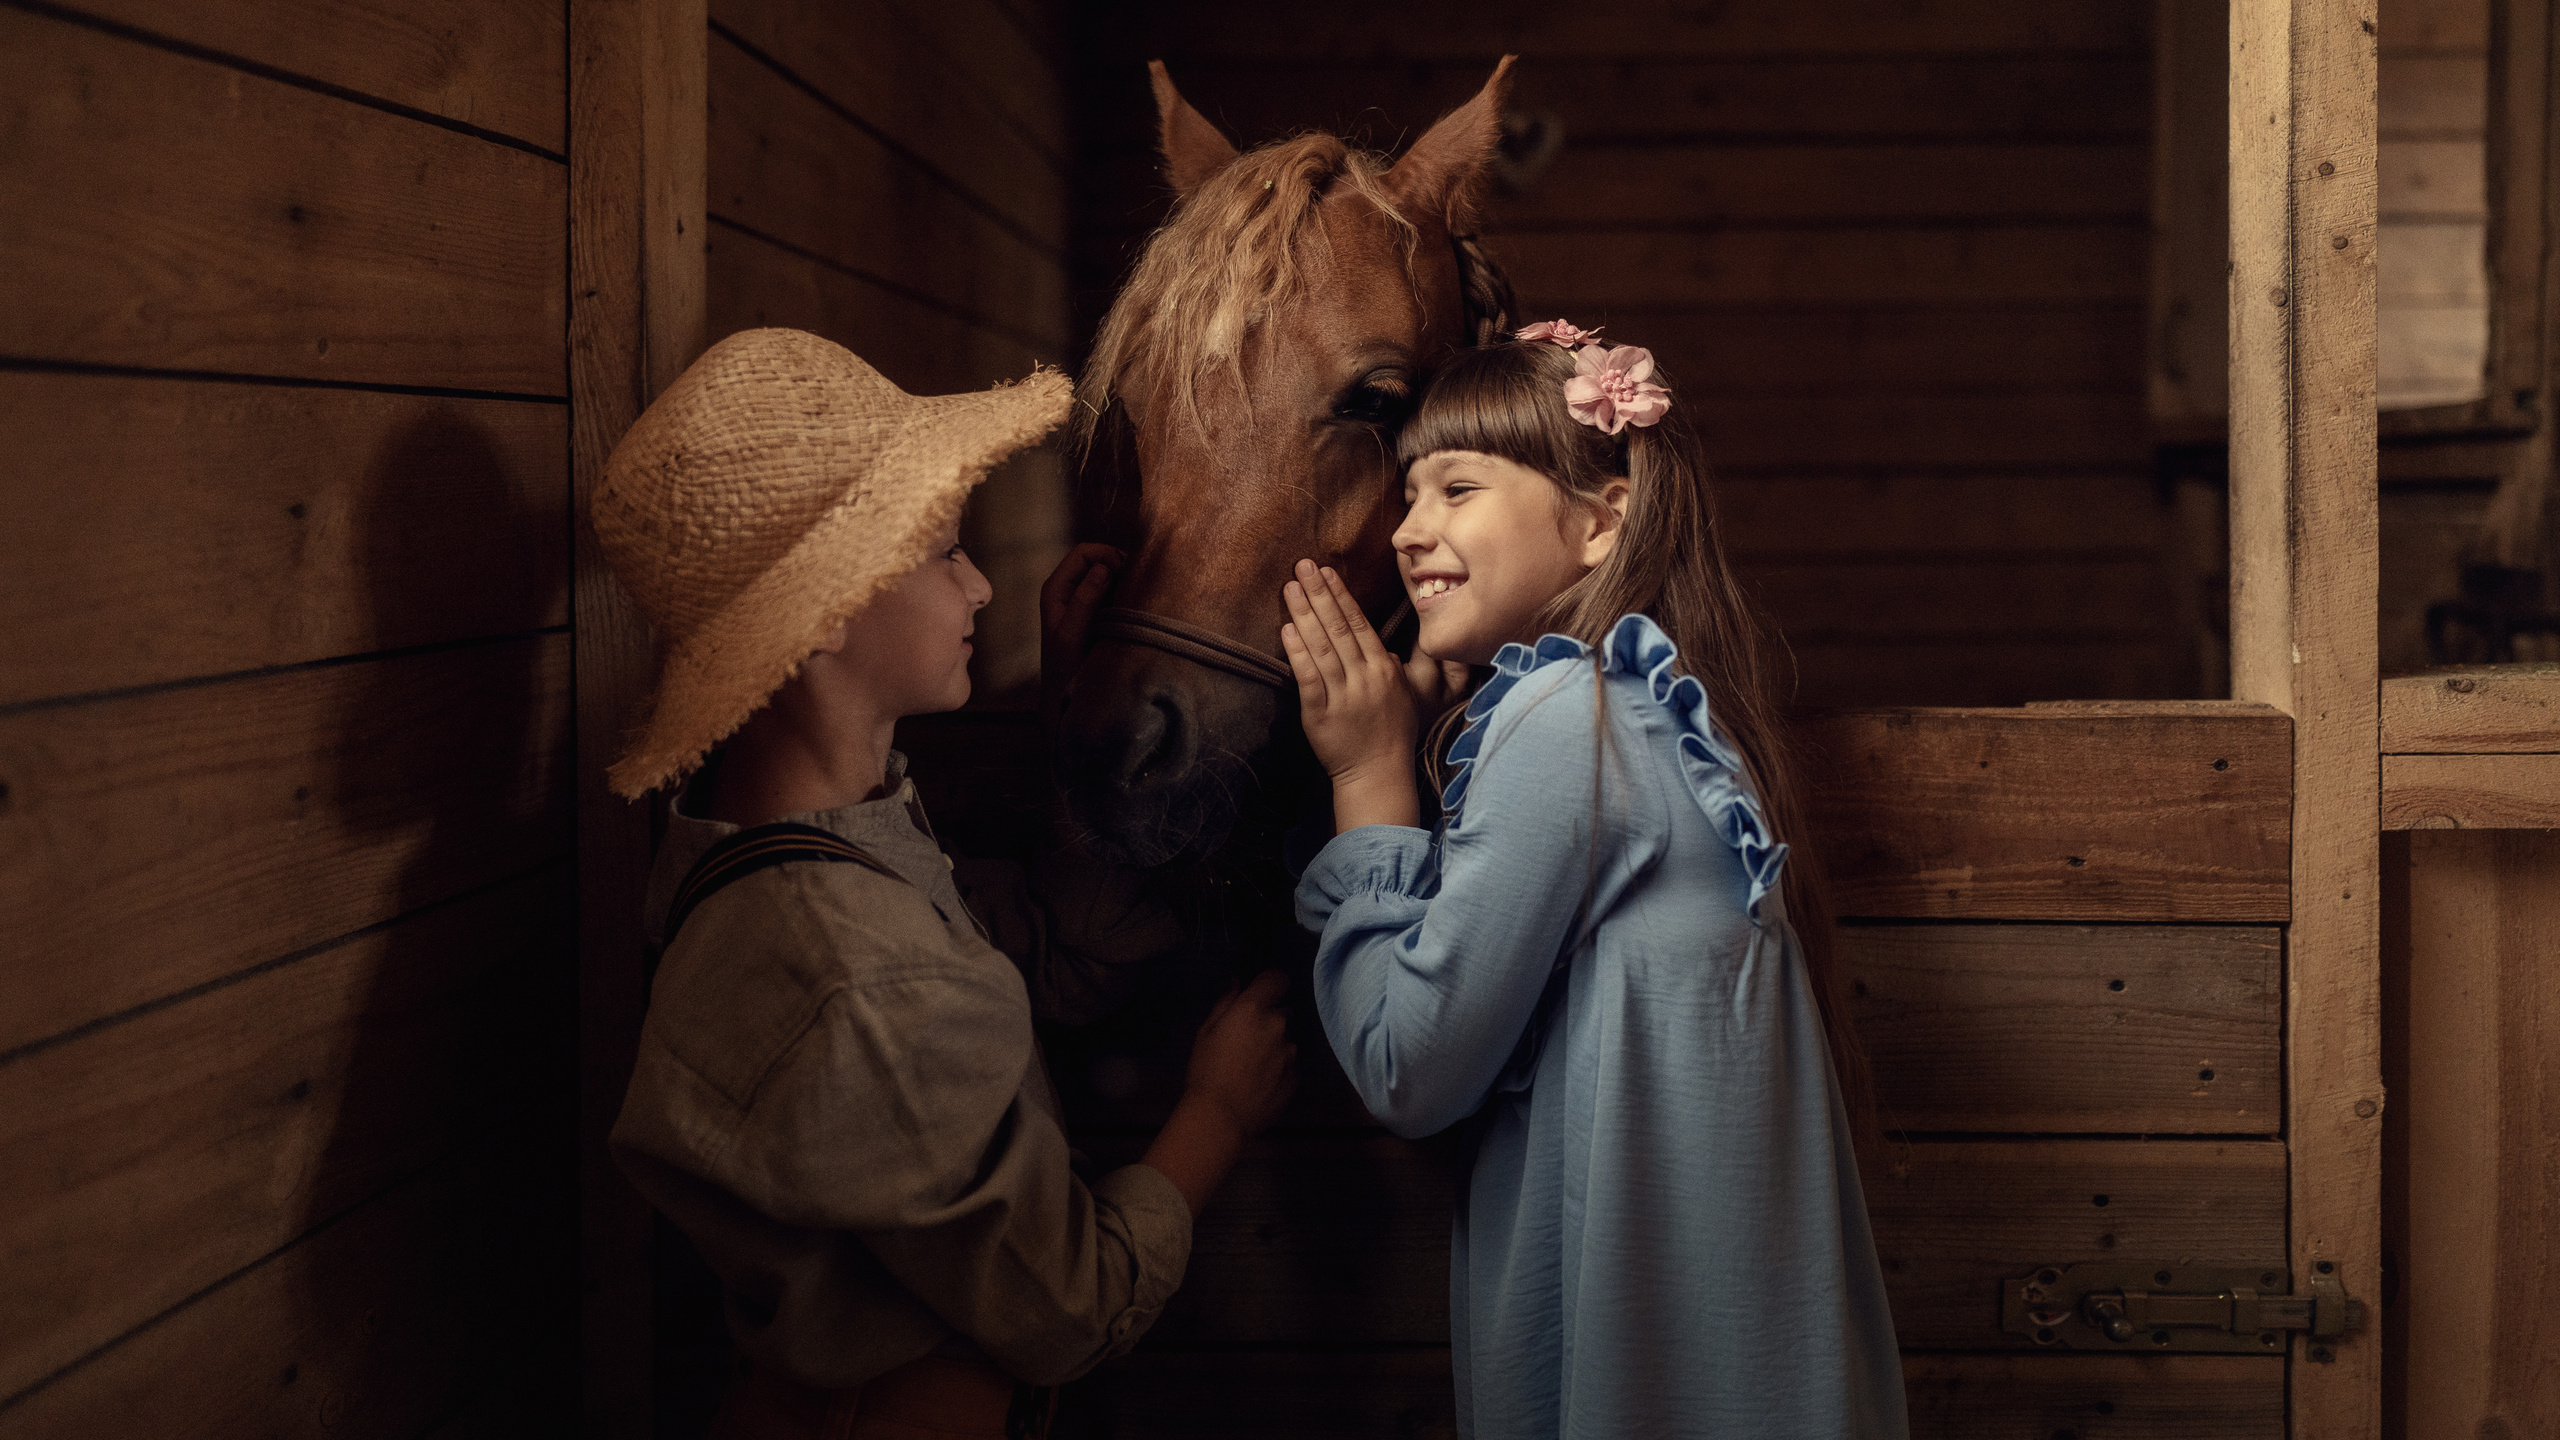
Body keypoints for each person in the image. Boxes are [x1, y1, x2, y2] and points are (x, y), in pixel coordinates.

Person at [596, 328, 1298, 1440]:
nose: (977, 581)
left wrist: (1067, 701)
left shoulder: (800, 844)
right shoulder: (848, 970)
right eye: (939, 551)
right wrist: (1214, 1113)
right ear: (821, 615)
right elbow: (1070, 1307)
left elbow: (1044, 961)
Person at [1276, 323, 1907, 1438]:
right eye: (1407, 496)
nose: (1408, 532)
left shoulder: (1575, 716)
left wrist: (1368, 777)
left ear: (1601, 519)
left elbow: (1406, 1067)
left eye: (1455, 488)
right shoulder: (1646, 710)